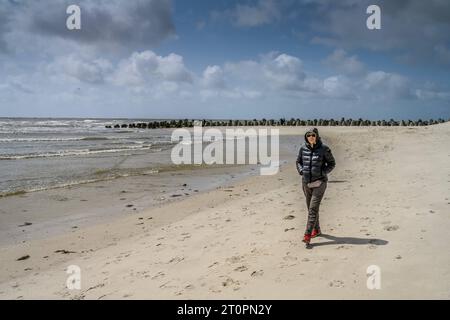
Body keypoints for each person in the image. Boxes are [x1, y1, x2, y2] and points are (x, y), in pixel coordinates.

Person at [296, 127, 336, 246]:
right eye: (308, 136)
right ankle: (317, 230)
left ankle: (307, 235)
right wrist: (301, 170)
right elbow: (298, 162)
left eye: (313, 135)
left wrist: (322, 173)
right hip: (306, 183)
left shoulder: (324, 149)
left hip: (320, 183)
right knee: (311, 208)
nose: (311, 138)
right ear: (306, 137)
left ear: (317, 136)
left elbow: (332, 163)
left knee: (313, 209)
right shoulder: (303, 148)